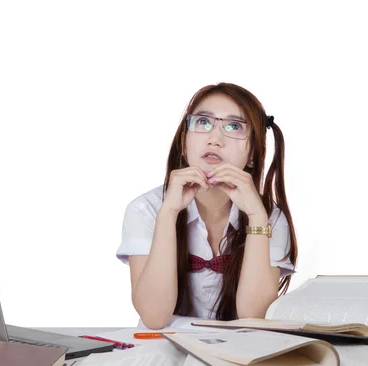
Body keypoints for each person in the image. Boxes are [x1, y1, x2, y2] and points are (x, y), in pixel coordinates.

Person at [116, 82, 298, 329]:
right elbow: (154, 316)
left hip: (238, 354)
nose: (214, 139)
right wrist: (168, 214)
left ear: (253, 153)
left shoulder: (269, 218)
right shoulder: (145, 209)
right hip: (163, 350)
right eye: (203, 122)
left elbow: (253, 317)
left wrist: (256, 217)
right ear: (184, 141)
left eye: (233, 126)